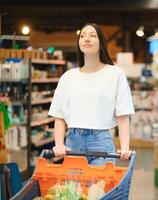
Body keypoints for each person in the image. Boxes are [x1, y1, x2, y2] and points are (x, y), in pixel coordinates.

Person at [48, 23, 135, 166]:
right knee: (74, 188)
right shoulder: (68, 77)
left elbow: (123, 114)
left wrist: (125, 147)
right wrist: (59, 144)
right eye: (82, 36)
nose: (86, 39)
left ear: (101, 43)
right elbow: (59, 116)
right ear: (79, 43)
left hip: (101, 142)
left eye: (92, 35)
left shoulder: (115, 74)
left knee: (99, 188)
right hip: (73, 143)